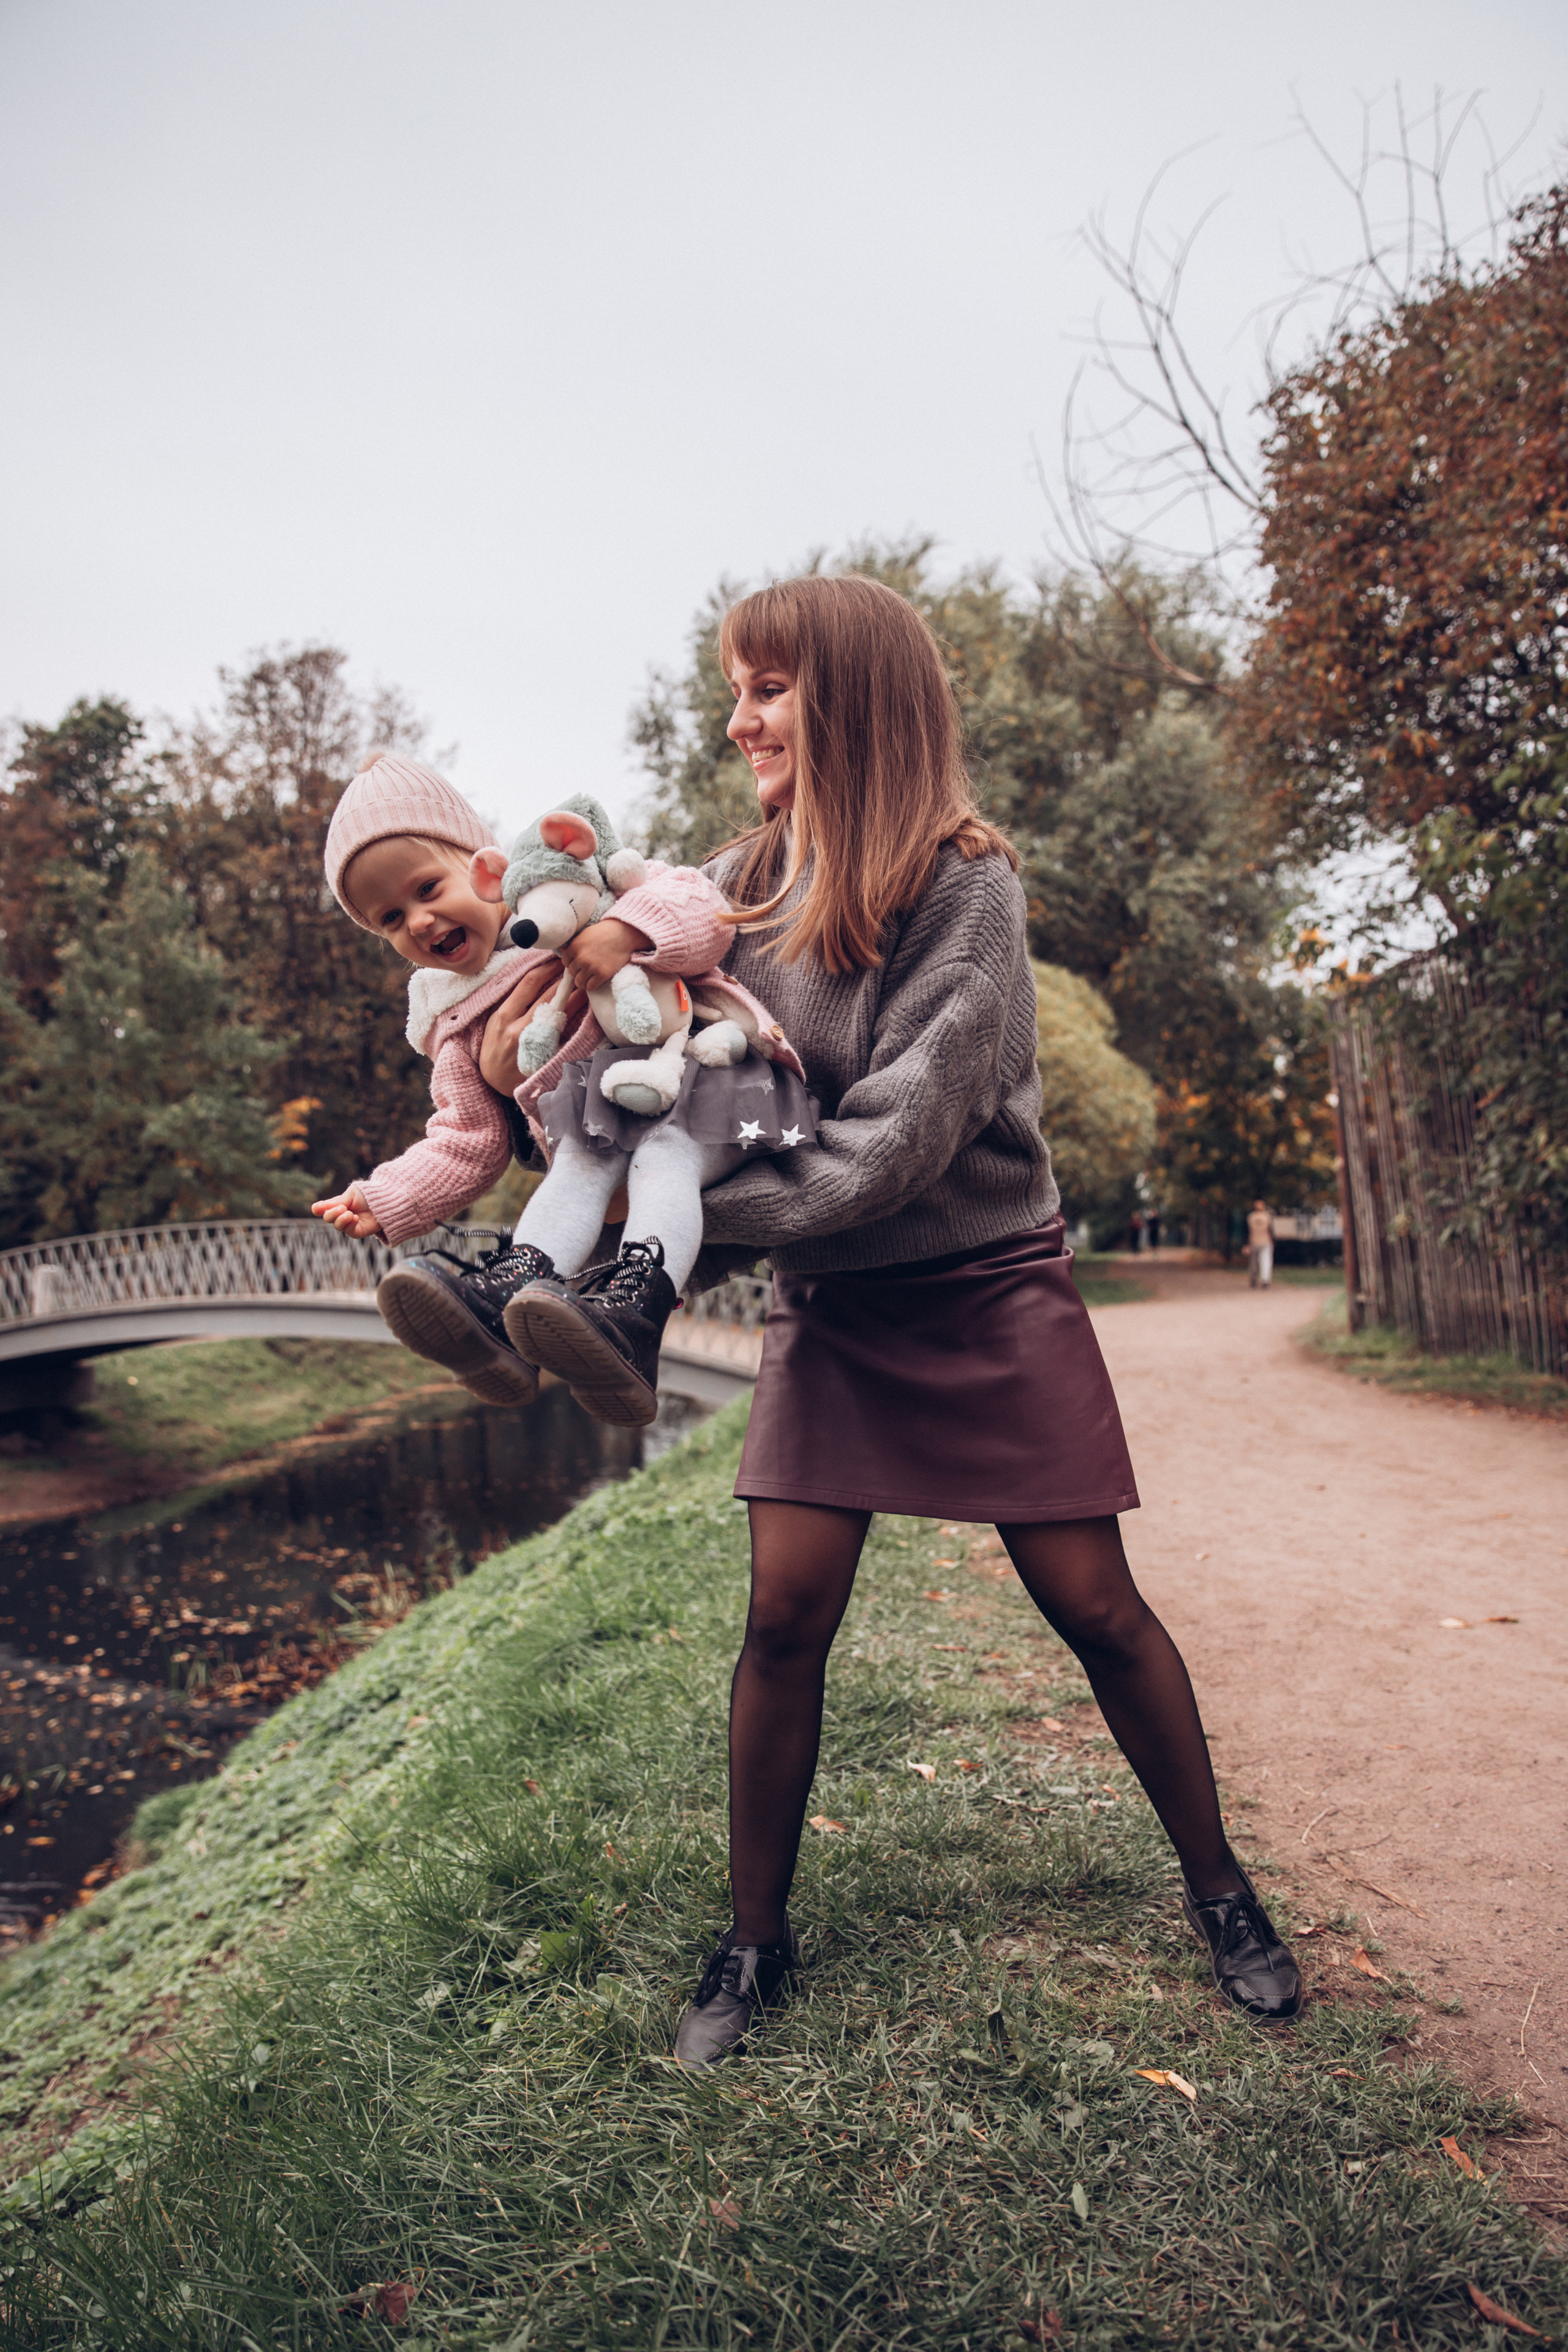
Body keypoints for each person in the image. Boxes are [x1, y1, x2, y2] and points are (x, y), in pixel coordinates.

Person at [668, 576, 1300, 2065]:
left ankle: (1219, 1891)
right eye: (735, 689)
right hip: (830, 1300)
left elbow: (894, 1142)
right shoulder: (725, 887)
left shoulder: (966, 884)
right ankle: (753, 1939)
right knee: (781, 1615)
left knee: (1092, 1603)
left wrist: (687, 1222)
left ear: (856, 698)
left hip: (980, 1286)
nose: (738, 717)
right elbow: (680, 1088)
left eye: (769, 687)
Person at [309, 755, 813, 1427]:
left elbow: (703, 905)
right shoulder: (455, 1023)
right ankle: (506, 1304)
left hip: (716, 1079)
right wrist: (389, 1195)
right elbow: (467, 1138)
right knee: (580, 1154)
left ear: (482, 866)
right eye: (392, 920)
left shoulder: (575, 892)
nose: (420, 922)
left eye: (428, 889)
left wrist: (626, 933)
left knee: (666, 1148)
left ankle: (640, 1308)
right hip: (609, 1123)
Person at [1246, 1201, 1275, 1289]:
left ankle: (1254, 1278)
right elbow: (1271, 1230)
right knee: (1265, 1262)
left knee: (1254, 1262)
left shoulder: (1251, 1217)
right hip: (1265, 1241)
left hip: (1254, 1241)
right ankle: (1265, 1280)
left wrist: (1247, 1244)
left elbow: (1248, 1231)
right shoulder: (1267, 1217)